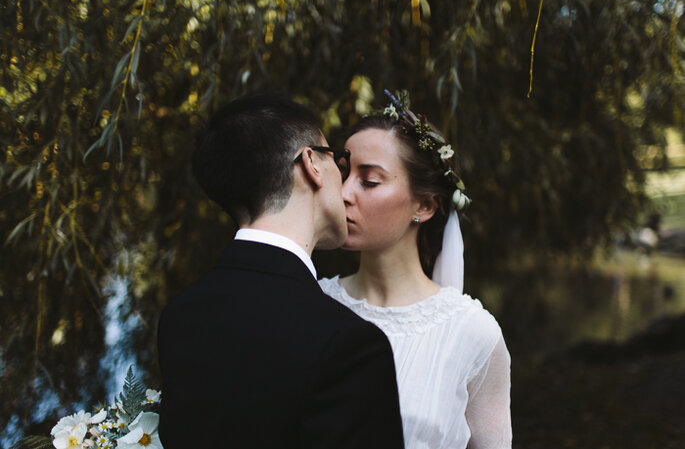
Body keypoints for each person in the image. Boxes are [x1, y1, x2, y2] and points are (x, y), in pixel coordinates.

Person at [157, 93, 405, 449]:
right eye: (338, 160)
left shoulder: (180, 318)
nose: (346, 187)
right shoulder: (349, 345)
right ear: (312, 164)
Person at [319, 91, 512, 449]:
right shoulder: (308, 305)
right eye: (342, 174)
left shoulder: (474, 333)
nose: (343, 193)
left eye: (369, 180)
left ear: (424, 206)